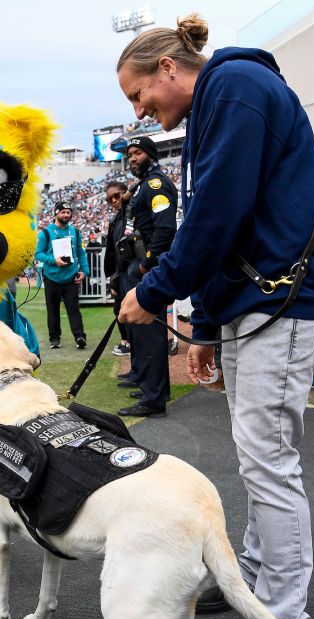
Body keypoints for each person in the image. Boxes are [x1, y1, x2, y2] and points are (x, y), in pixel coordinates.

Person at [115, 13, 314, 619]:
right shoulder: (220, 100)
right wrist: (210, 325)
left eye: (139, 96)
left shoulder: (237, 85)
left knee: (268, 463)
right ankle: (252, 581)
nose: (140, 113)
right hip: (259, 302)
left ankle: (282, 618)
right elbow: (224, 220)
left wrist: (158, 292)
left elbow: (218, 212)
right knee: (257, 458)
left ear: (167, 67)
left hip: (285, 301)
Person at [117, 136, 176, 418]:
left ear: (151, 155)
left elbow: (164, 230)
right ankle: (150, 387)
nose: (132, 158)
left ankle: (154, 400)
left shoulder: (156, 184)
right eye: (129, 154)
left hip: (147, 267)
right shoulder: (140, 186)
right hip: (137, 264)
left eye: (137, 153)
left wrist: (146, 265)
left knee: (150, 332)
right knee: (140, 331)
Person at [33, 201, 88, 350]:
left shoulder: (75, 232)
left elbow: (80, 252)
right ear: (56, 213)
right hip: (52, 277)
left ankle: (80, 336)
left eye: (68, 212)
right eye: (63, 212)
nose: (66, 215)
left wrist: (85, 271)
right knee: (53, 310)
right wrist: (53, 261)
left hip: (71, 276)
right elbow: (38, 254)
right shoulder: (46, 233)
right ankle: (54, 338)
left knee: (73, 309)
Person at [103, 180, 133, 357]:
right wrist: (113, 278)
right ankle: (129, 347)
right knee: (120, 311)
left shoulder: (132, 214)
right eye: (110, 199)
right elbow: (113, 252)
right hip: (120, 275)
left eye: (117, 195)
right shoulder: (116, 219)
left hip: (132, 275)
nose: (114, 200)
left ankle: (129, 345)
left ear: (126, 193)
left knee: (130, 316)